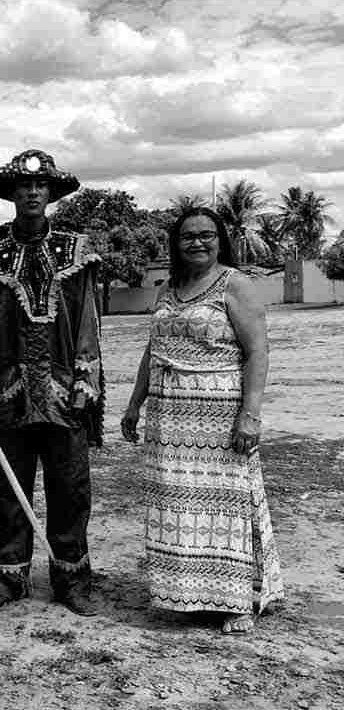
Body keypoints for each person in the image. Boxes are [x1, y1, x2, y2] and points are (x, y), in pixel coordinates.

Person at [121, 207, 284, 634]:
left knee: (227, 503)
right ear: (176, 243)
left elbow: (258, 353)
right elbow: (152, 350)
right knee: (180, 504)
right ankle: (190, 592)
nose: (197, 242)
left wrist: (250, 415)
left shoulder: (237, 285)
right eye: (188, 236)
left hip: (219, 415)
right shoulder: (167, 288)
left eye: (206, 235)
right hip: (168, 417)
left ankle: (238, 601)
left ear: (220, 239)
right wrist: (135, 403)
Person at [0, 149, 103, 617]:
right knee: (6, 487)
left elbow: (87, 319)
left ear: (52, 193)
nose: (32, 192)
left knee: (71, 486)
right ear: (12, 194)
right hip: (7, 390)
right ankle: (8, 576)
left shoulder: (76, 248)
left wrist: (86, 378)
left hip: (63, 391)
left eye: (40, 186)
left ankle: (71, 579)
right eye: (23, 186)